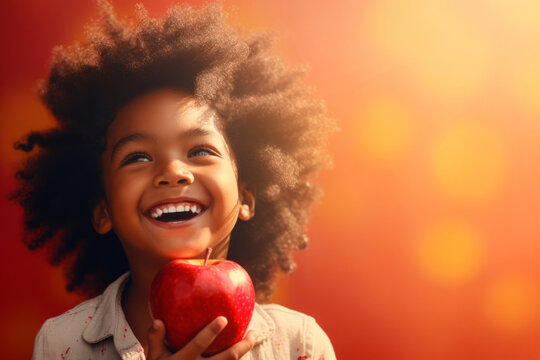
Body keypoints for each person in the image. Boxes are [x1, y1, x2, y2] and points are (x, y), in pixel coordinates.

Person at [12, 1, 336, 359]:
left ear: (246, 197)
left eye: (200, 151)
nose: (173, 172)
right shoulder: (61, 344)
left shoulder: (298, 344)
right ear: (102, 210)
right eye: (137, 157)